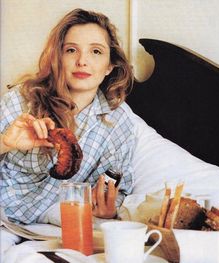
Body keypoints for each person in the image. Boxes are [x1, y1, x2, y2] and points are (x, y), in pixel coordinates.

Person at [0, 8, 136, 224]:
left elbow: (119, 191)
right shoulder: (21, 100)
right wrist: (4, 143)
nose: (82, 61)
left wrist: (109, 210)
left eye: (96, 52)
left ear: (110, 65)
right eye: (71, 50)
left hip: (61, 221)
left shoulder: (118, 122)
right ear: (58, 58)